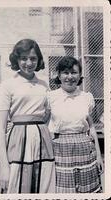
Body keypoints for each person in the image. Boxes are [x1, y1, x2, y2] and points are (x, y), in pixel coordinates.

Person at [0, 39, 55, 193]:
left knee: (42, 185)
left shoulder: (44, 84)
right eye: (23, 58)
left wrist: (38, 131)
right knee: (15, 187)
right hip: (18, 142)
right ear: (16, 59)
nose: (28, 63)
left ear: (39, 60)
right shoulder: (7, 85)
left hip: (42, 142)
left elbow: (47, 115)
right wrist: (3, 164)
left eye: (33, 58)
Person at [48, 56, 103, 193]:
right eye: (65, 72)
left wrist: (98, 156)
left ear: (80, 76)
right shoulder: (50, 97)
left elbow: (91, 128)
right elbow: (44, 126)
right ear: (59, 75)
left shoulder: (86, 97)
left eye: (74, 72)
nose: (70, 77)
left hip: (85, 150)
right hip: (59, 151)